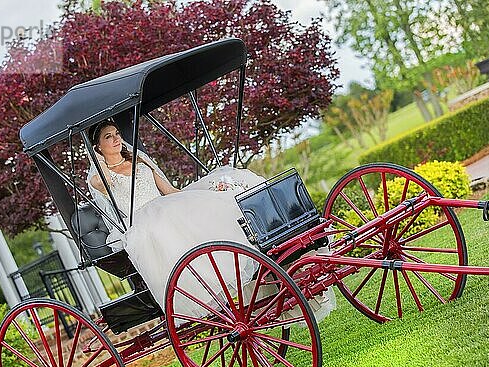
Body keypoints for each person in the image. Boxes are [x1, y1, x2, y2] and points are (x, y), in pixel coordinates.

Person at [88, 118, 336, 321]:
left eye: (117, 133)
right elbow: (100, 182)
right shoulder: (101, 177)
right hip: (144, 220)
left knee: (217, 199)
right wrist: (97, 158)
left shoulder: (140, 162)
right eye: (108, 137)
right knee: (169, 221)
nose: (117, 139)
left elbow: (171, 192)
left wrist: (204, 194)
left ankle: (259, 244)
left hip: (166, 205)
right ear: (98, 147)